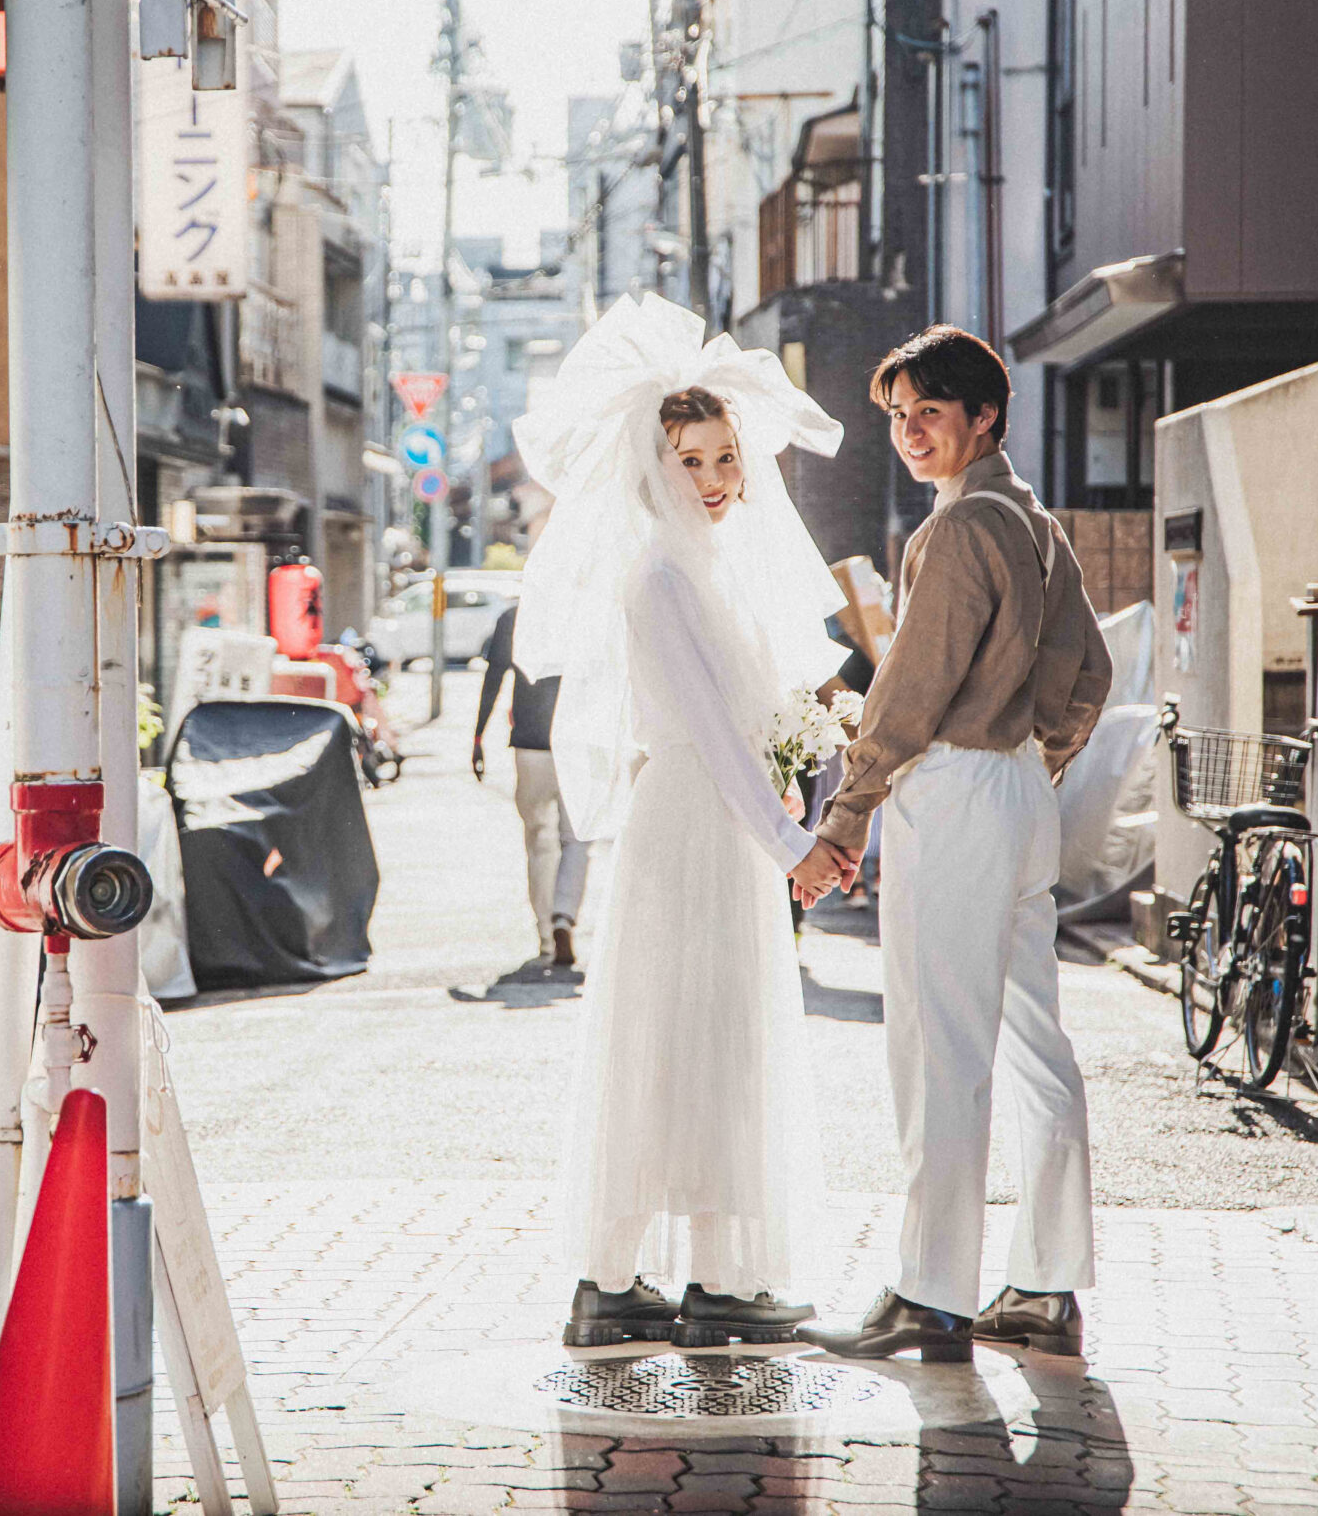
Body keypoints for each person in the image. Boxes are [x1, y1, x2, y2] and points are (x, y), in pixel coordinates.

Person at [513, 293, 850, 1350]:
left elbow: (747, 723)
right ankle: (621, 1282)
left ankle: (710, 1279)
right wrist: (794, 843)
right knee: (678, 1039)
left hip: (722, 822)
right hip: (690, 824)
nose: (710, 480)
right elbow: (705, 731)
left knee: (715, 1041)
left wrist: (797, 783)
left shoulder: (713, 566)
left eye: (721, 457)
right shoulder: (655, 572)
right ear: (649, 465)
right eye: (689, 460)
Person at [795, 324, 1108, 1364]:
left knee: (940, 1048)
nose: (909, 431)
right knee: (1031, 1044)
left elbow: (907, 691)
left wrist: (846, 815)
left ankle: (930, 1294)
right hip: (1017, 787)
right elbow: (1092, 672)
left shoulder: (959, 528)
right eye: (895, 415)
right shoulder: (1031, 521)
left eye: (929, 410)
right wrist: (1035, 761)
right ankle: (1047, 1285)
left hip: (961, 788)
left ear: (984, 416)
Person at [472, 602, 589, 968]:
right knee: (578, 837)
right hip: (578, 744)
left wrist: (477, 736)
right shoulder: (585, 611)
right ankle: (563, 918)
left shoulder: (514, 617)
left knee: (540, 842)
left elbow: (494, 678)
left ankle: (545, 937)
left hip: (530, 744)